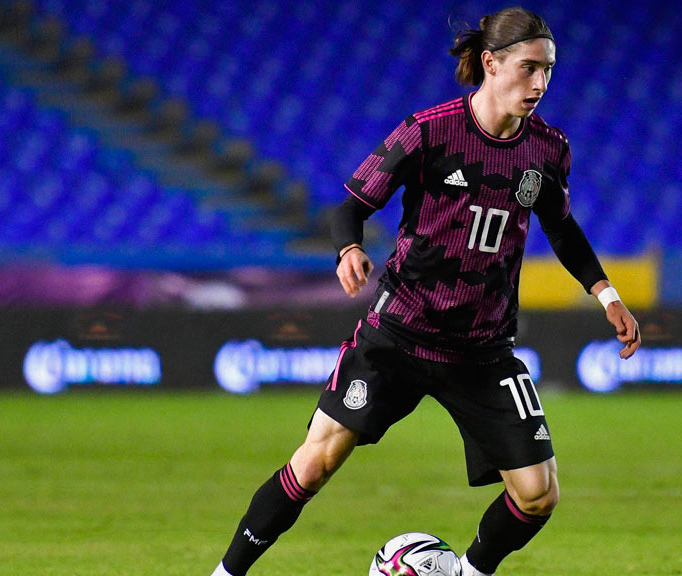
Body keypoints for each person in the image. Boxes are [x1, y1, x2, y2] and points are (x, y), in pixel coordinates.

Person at [209, 8, 640, 576]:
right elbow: (351, 208)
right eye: (529, 68)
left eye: (549, 71)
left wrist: (607, 295)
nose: (540, 84)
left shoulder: (549, 149)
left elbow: (561, 227)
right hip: (400, 333)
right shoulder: (429, 130)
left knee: (538, 495)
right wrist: (348, 248)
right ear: (491, 63)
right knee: (314, 464)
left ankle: (466, 572)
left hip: (483, 349)